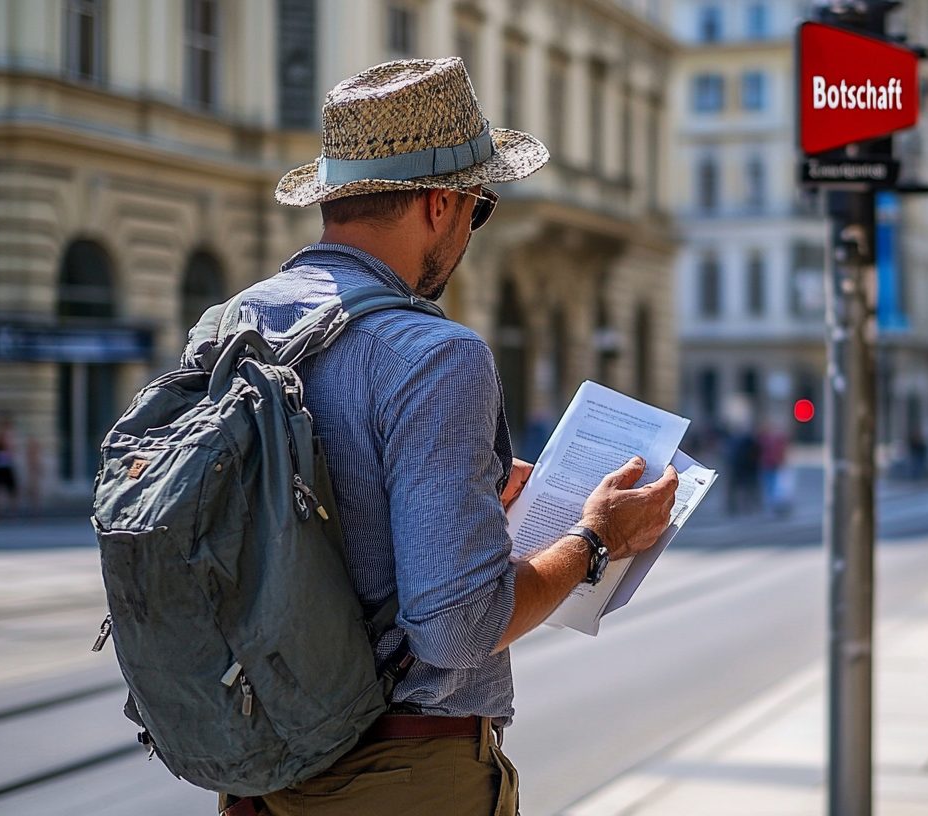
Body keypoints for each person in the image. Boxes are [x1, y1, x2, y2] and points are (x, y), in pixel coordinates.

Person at [192, 59, 680, 816]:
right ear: (439, 202)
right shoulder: (436, 357)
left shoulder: (232, 325)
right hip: (399, 775)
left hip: (254, 770)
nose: (471, 230)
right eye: (479, 208)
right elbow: (455, 630)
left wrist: (470, 491)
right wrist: (595, 539)